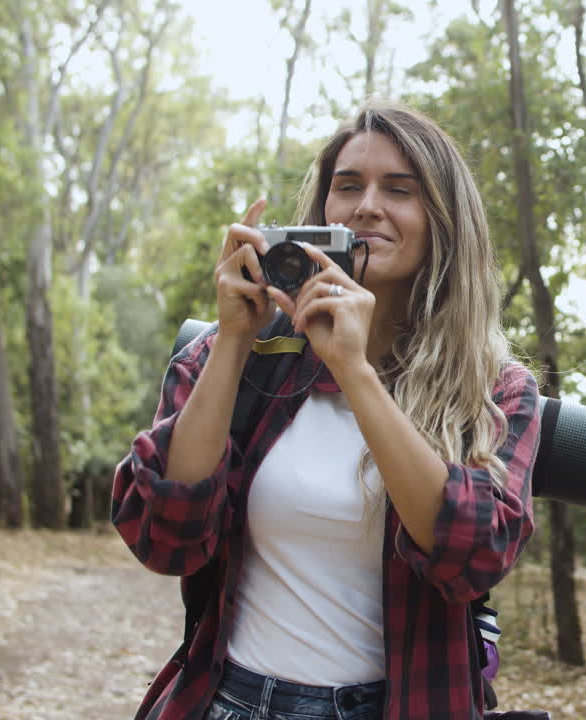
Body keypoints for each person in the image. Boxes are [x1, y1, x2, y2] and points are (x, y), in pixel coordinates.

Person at [112, 100, 541, 720]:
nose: (368, 205)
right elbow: (164, 536)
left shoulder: (492, 390)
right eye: (348, 186)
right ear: (322, 211)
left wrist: (355, 371)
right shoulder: (245, 352)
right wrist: (233, 339)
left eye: (400, 190)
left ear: (445, 221)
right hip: (227, 702)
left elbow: (471, 559)